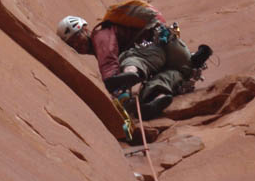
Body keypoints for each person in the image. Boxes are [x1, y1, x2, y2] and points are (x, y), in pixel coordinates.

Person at [56, 13, 212, 120]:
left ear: (85, 29)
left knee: (129, 58)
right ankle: (158, 98)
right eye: (73, 44)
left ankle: (132, 72)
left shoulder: (101, 34)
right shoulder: (100, 42)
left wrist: (113, 81)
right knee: (161, 81)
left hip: (157, 46)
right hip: (179, 61)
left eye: (77, 37)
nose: (78, 44)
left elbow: (109, 59)